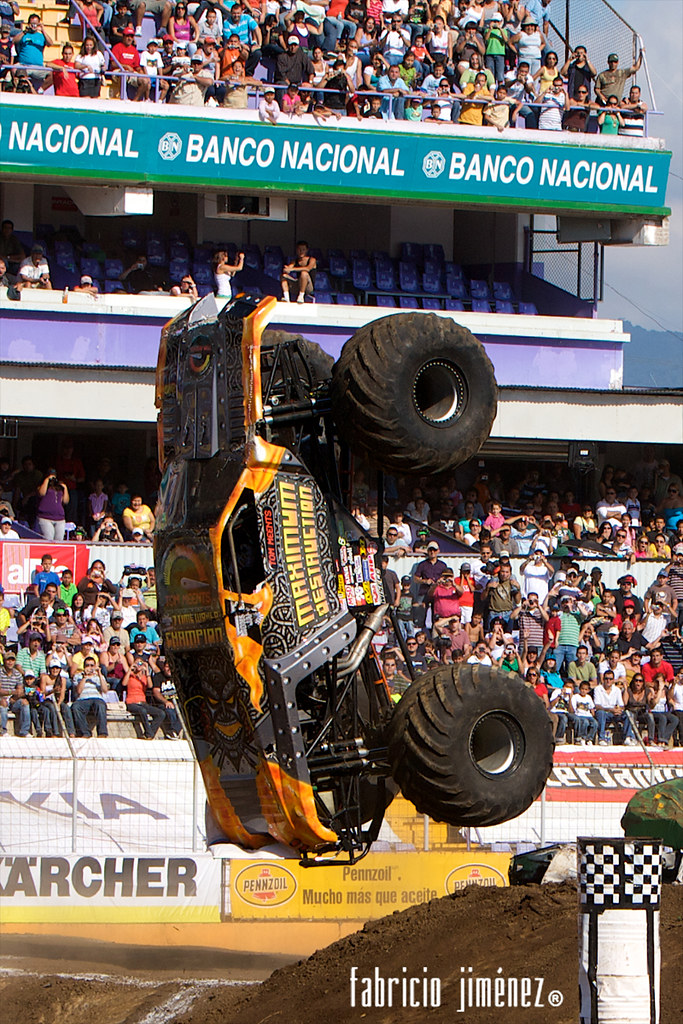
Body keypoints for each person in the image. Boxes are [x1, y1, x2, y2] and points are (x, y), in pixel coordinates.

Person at [71, 655, 109, 737]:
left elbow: (105, 690)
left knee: (101, 705)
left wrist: (99, 675)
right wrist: (84, 678)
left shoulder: (99, 677)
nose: (90, 667)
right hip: (82, 698)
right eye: (87, 665)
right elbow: (78, 691)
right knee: (76, 707)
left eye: (92, 665)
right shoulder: (78, 676)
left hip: (96, 698)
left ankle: (102, 733)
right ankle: (85, 733)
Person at [593, 669, 633, 745]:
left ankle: (628, 737)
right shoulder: (598, 689)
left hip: (614, 713)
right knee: (600, 713)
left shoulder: (617, 690)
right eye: (606, 679)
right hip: (604, 712)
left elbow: (621, 705)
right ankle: (601, 738)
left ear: (613, 680)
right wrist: (610, 709)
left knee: (628, 714)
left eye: (610, 679)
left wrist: (619, 710)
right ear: (603, 679)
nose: (608, 681)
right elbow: (597, 706)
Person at [35, 472, 69, 540]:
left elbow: (65, 501)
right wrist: (47, 480)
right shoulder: (43, 485)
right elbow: (41, 493)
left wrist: (65, 488)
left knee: (59, 541)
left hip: (59, 518)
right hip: (46, 517)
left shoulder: (60, 488)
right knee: (49, 539)